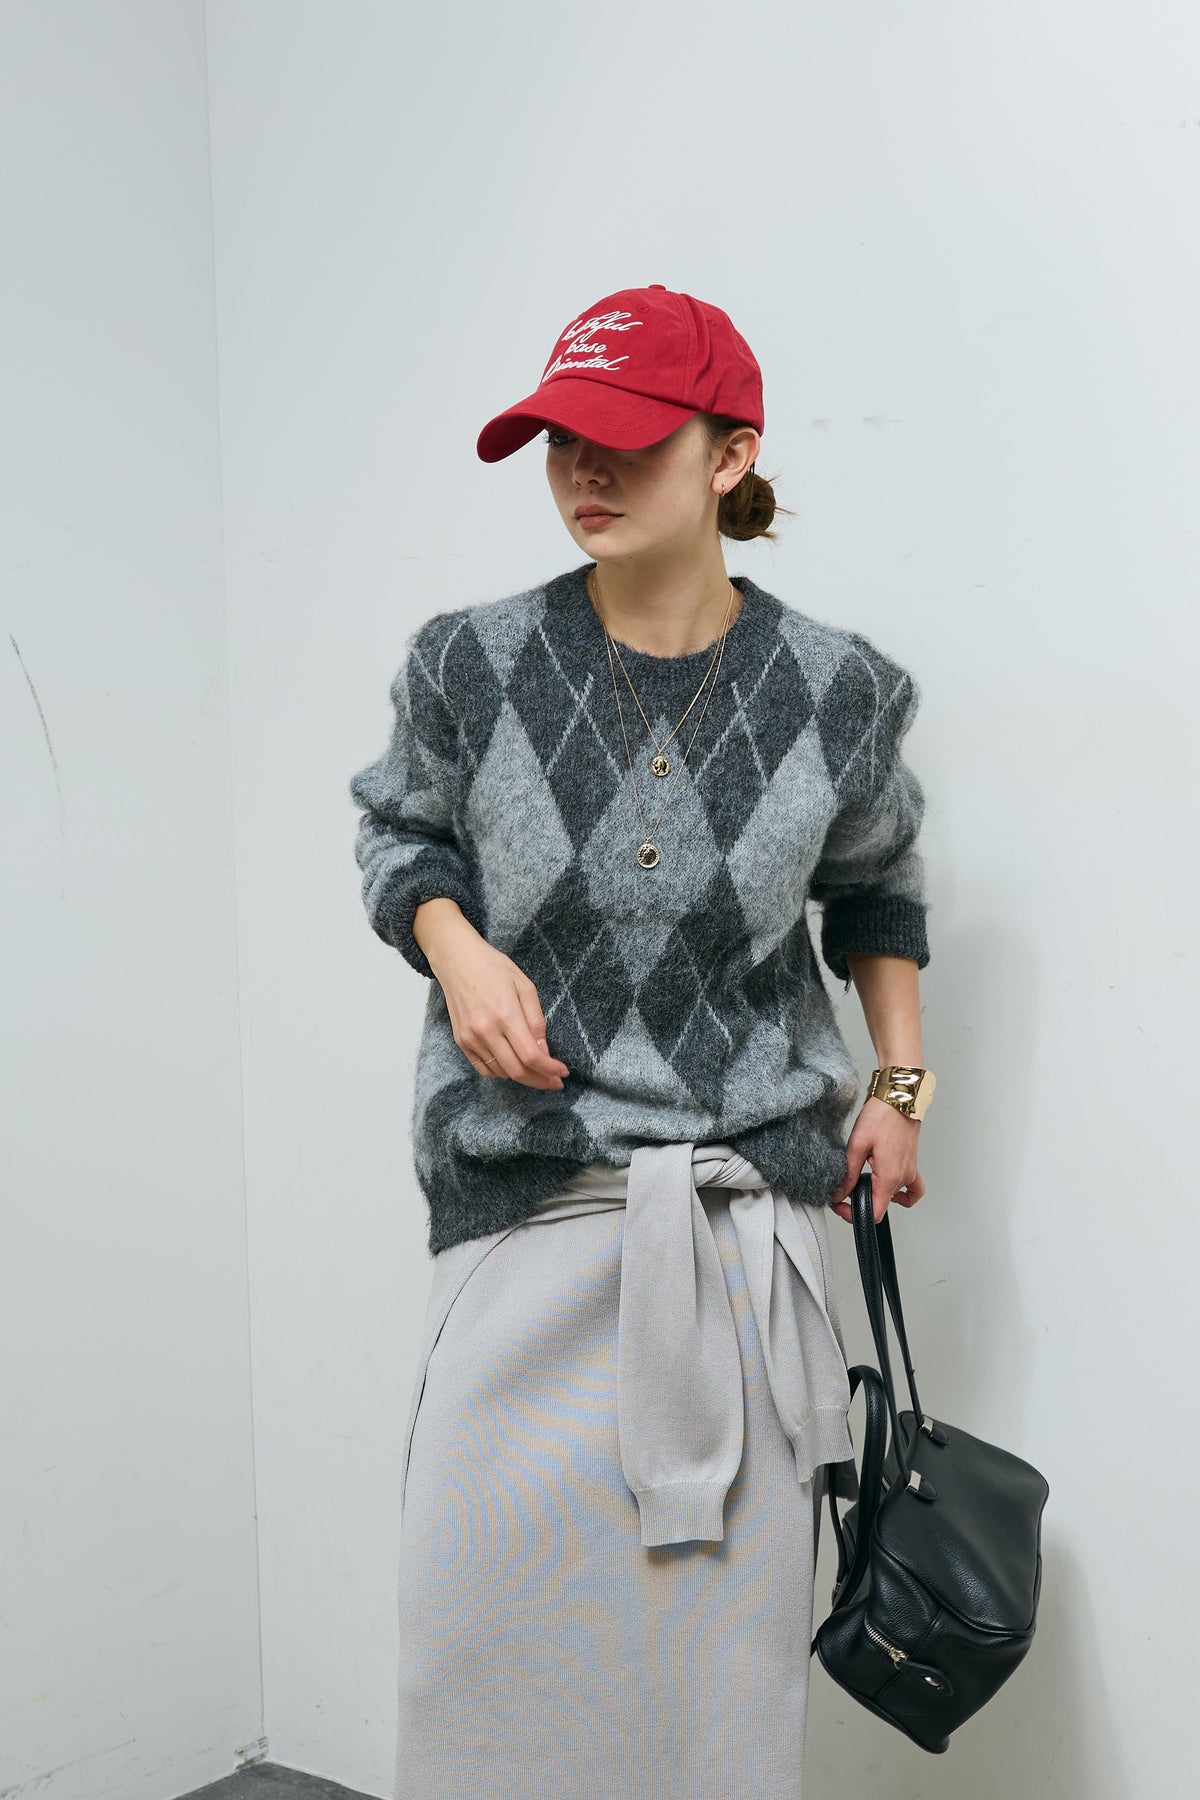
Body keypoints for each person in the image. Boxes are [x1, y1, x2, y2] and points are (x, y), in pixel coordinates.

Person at [348, 283, 936, 1799]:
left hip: (742, 1228)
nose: (581, 473)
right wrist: (455, 946)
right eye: (560, 441)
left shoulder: (842, 693)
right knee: (480, 1639)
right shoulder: (468, 664)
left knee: (712, 1681)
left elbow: (877, 891)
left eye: (624, 438)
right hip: (526, 1205)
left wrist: (899, 1088)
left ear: (731, 454)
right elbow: (400, 837)